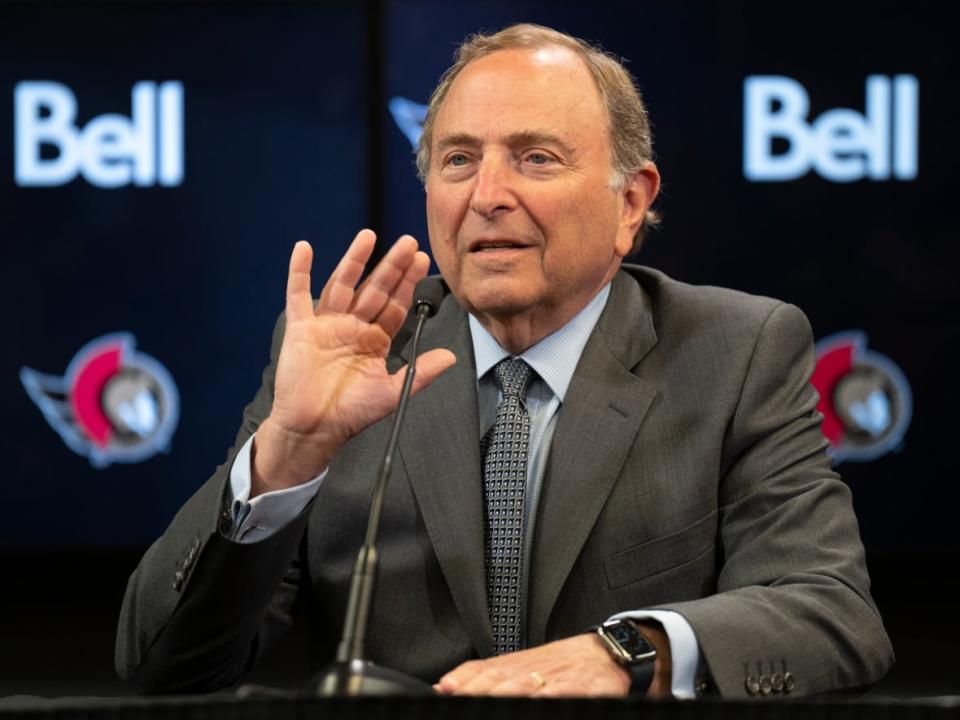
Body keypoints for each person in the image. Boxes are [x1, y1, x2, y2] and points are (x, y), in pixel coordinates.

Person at [116, 23, 893, 699]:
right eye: (458, 160)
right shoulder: (354, 358)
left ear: (631, 203)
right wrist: (286, 456)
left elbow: (829, 611)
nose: (487, 194)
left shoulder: (734, 351)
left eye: (536, 158)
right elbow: (164, 669)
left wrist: (624, 652)